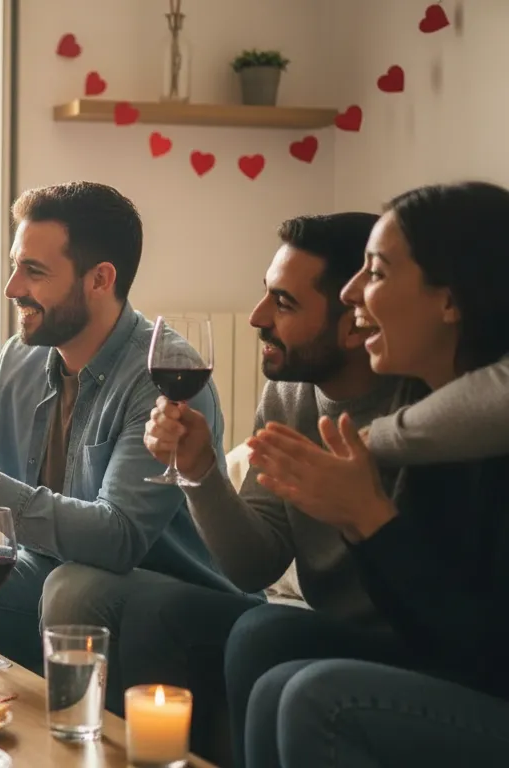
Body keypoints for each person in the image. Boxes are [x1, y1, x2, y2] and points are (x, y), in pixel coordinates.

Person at [27, 212, 380, 763]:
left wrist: (363, 515)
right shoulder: (287, 398)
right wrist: (200, 472)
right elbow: (256, 564)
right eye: (265, 294)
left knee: (263, 631)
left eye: (283, 304)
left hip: (394, 633)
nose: (257, 317)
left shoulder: (426, 415)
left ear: (356, 320)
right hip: (324, 621)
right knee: (126, 602)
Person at [0, 182, 238, 671]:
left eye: (34, 271)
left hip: (169, 589)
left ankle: (72, 737)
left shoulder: (162, 377)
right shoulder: (18, 359)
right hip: (55, 572)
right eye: (15, 265)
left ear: (100, 279)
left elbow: (117, 539)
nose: (12, 287)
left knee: (73, 589)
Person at [234, 181, 509, 767]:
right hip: (459, 660)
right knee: (271, 654)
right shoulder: (432, 420)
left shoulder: (482, 432)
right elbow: (425, 628)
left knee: (317, 697)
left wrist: (368, 518)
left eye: (377, 273)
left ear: (451, 300)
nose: (353, 292)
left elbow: (479, 649)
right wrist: (366, 524)